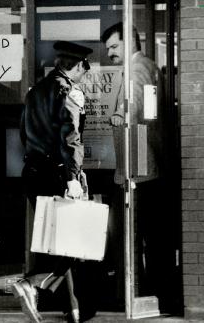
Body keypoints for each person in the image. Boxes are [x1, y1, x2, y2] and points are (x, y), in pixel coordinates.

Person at [13, 41, 93, 323]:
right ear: (79, 65)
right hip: (57, 175)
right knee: (76, 243)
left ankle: (73, 309)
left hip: (33, 174)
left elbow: (24, 133)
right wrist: (72, 178)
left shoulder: (34, 92)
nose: (86, 73)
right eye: (86, 67)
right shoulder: (70, 92)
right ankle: (31, 283)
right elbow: (71, 139)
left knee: (60, 243)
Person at [101, 22, 166, 300]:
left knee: (126, 237)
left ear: (131, 41)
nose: (111, 54)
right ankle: (145, 292)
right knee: (144, 236)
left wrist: (120, 115)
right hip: (144, 164)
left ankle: (132, 295)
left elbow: (137, 110)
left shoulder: (138, 69)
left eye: (115, 46)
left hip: (136, 168)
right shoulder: (149, 66)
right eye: (108, 49)